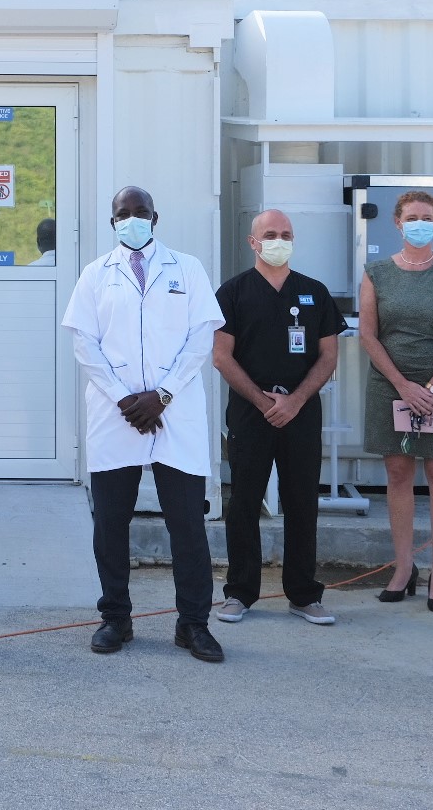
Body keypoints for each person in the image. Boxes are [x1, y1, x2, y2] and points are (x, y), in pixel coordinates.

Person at [63, 187, 225, 660]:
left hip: (175, 411)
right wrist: (125, 398)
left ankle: (193, 624)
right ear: (111, 220)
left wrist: (162, 395)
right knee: (110, 523)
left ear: (155, 217)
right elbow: (84, 344)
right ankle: (115, 618)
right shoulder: (96, 274)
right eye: (122, 214)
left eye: (140, 212)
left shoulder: (187, 269)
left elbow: (201, 338)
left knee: (187, 525)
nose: (131, 220)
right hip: (116, 414)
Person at [213, 209, 347, 627]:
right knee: (244, 502)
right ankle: (239, 593)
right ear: (253, 242)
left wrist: (295, 401)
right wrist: (263, 402)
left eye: (286, 234)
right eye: (270, 234)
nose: (279, 241)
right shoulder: (233, 293)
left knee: (302, 502)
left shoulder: (314, 292)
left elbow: (328, 356)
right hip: (250, 413)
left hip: (301, 413)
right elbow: (221, 357)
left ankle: (304, 595)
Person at [360, 190, 433, 613]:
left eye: (426, 217)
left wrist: (432, 388)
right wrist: (403, 386)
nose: (419, 224)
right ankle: (403, 567)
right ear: (397, 223)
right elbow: (369, 335)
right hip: (390, 383)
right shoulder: (375, 273)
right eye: (412, 217)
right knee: (397, 473)